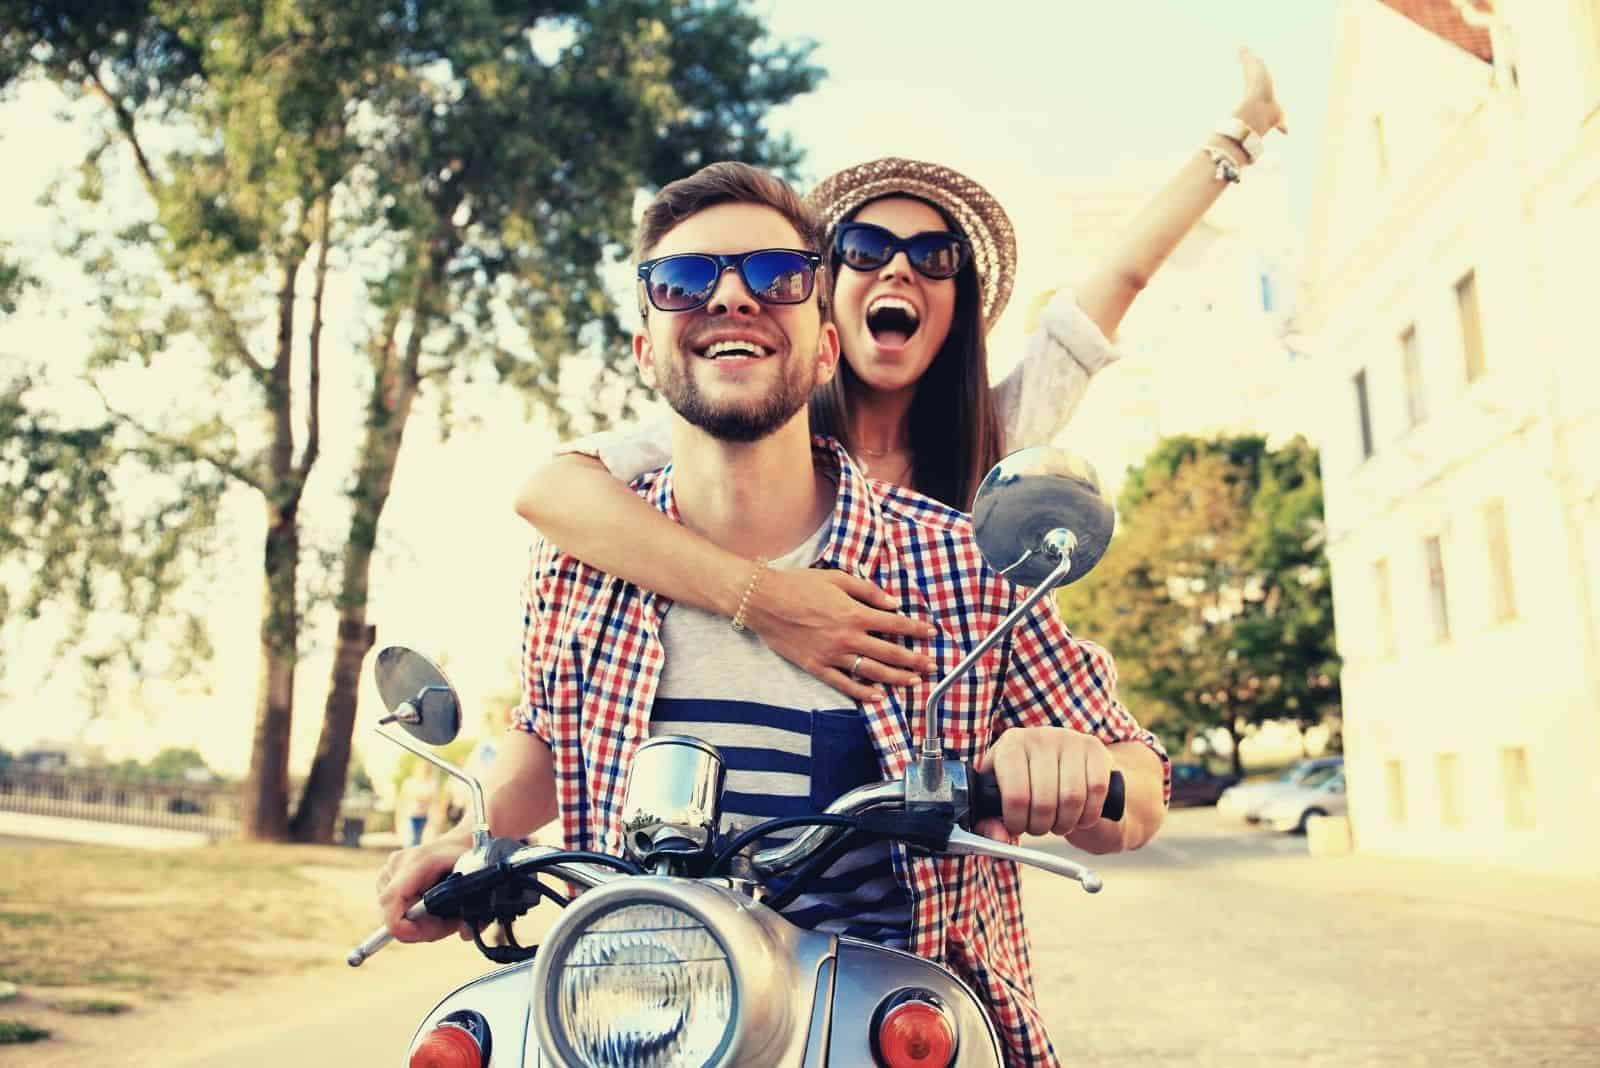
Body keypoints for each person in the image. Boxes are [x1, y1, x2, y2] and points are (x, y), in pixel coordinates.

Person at [378, 162, 1170, 1068]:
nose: (730, 297)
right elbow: (545, 747)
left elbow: (1138, 787)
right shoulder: (580, 564)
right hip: (637, 1024)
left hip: (888, 1028)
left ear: (824, 344)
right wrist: (464, 848)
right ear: (646, 350)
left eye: (775, 276)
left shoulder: (961, 560)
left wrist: (1071, 766)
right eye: (682, 282)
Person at [512, 48, 1288, 704]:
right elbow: (550, 492)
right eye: (865, 248)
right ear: (820, 299)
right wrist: (766, 601)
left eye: (934, 256)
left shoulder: (1001, 435)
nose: (899, 269)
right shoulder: (762, 424)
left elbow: (1119, 277)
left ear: (960, 304)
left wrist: (1237, 138)